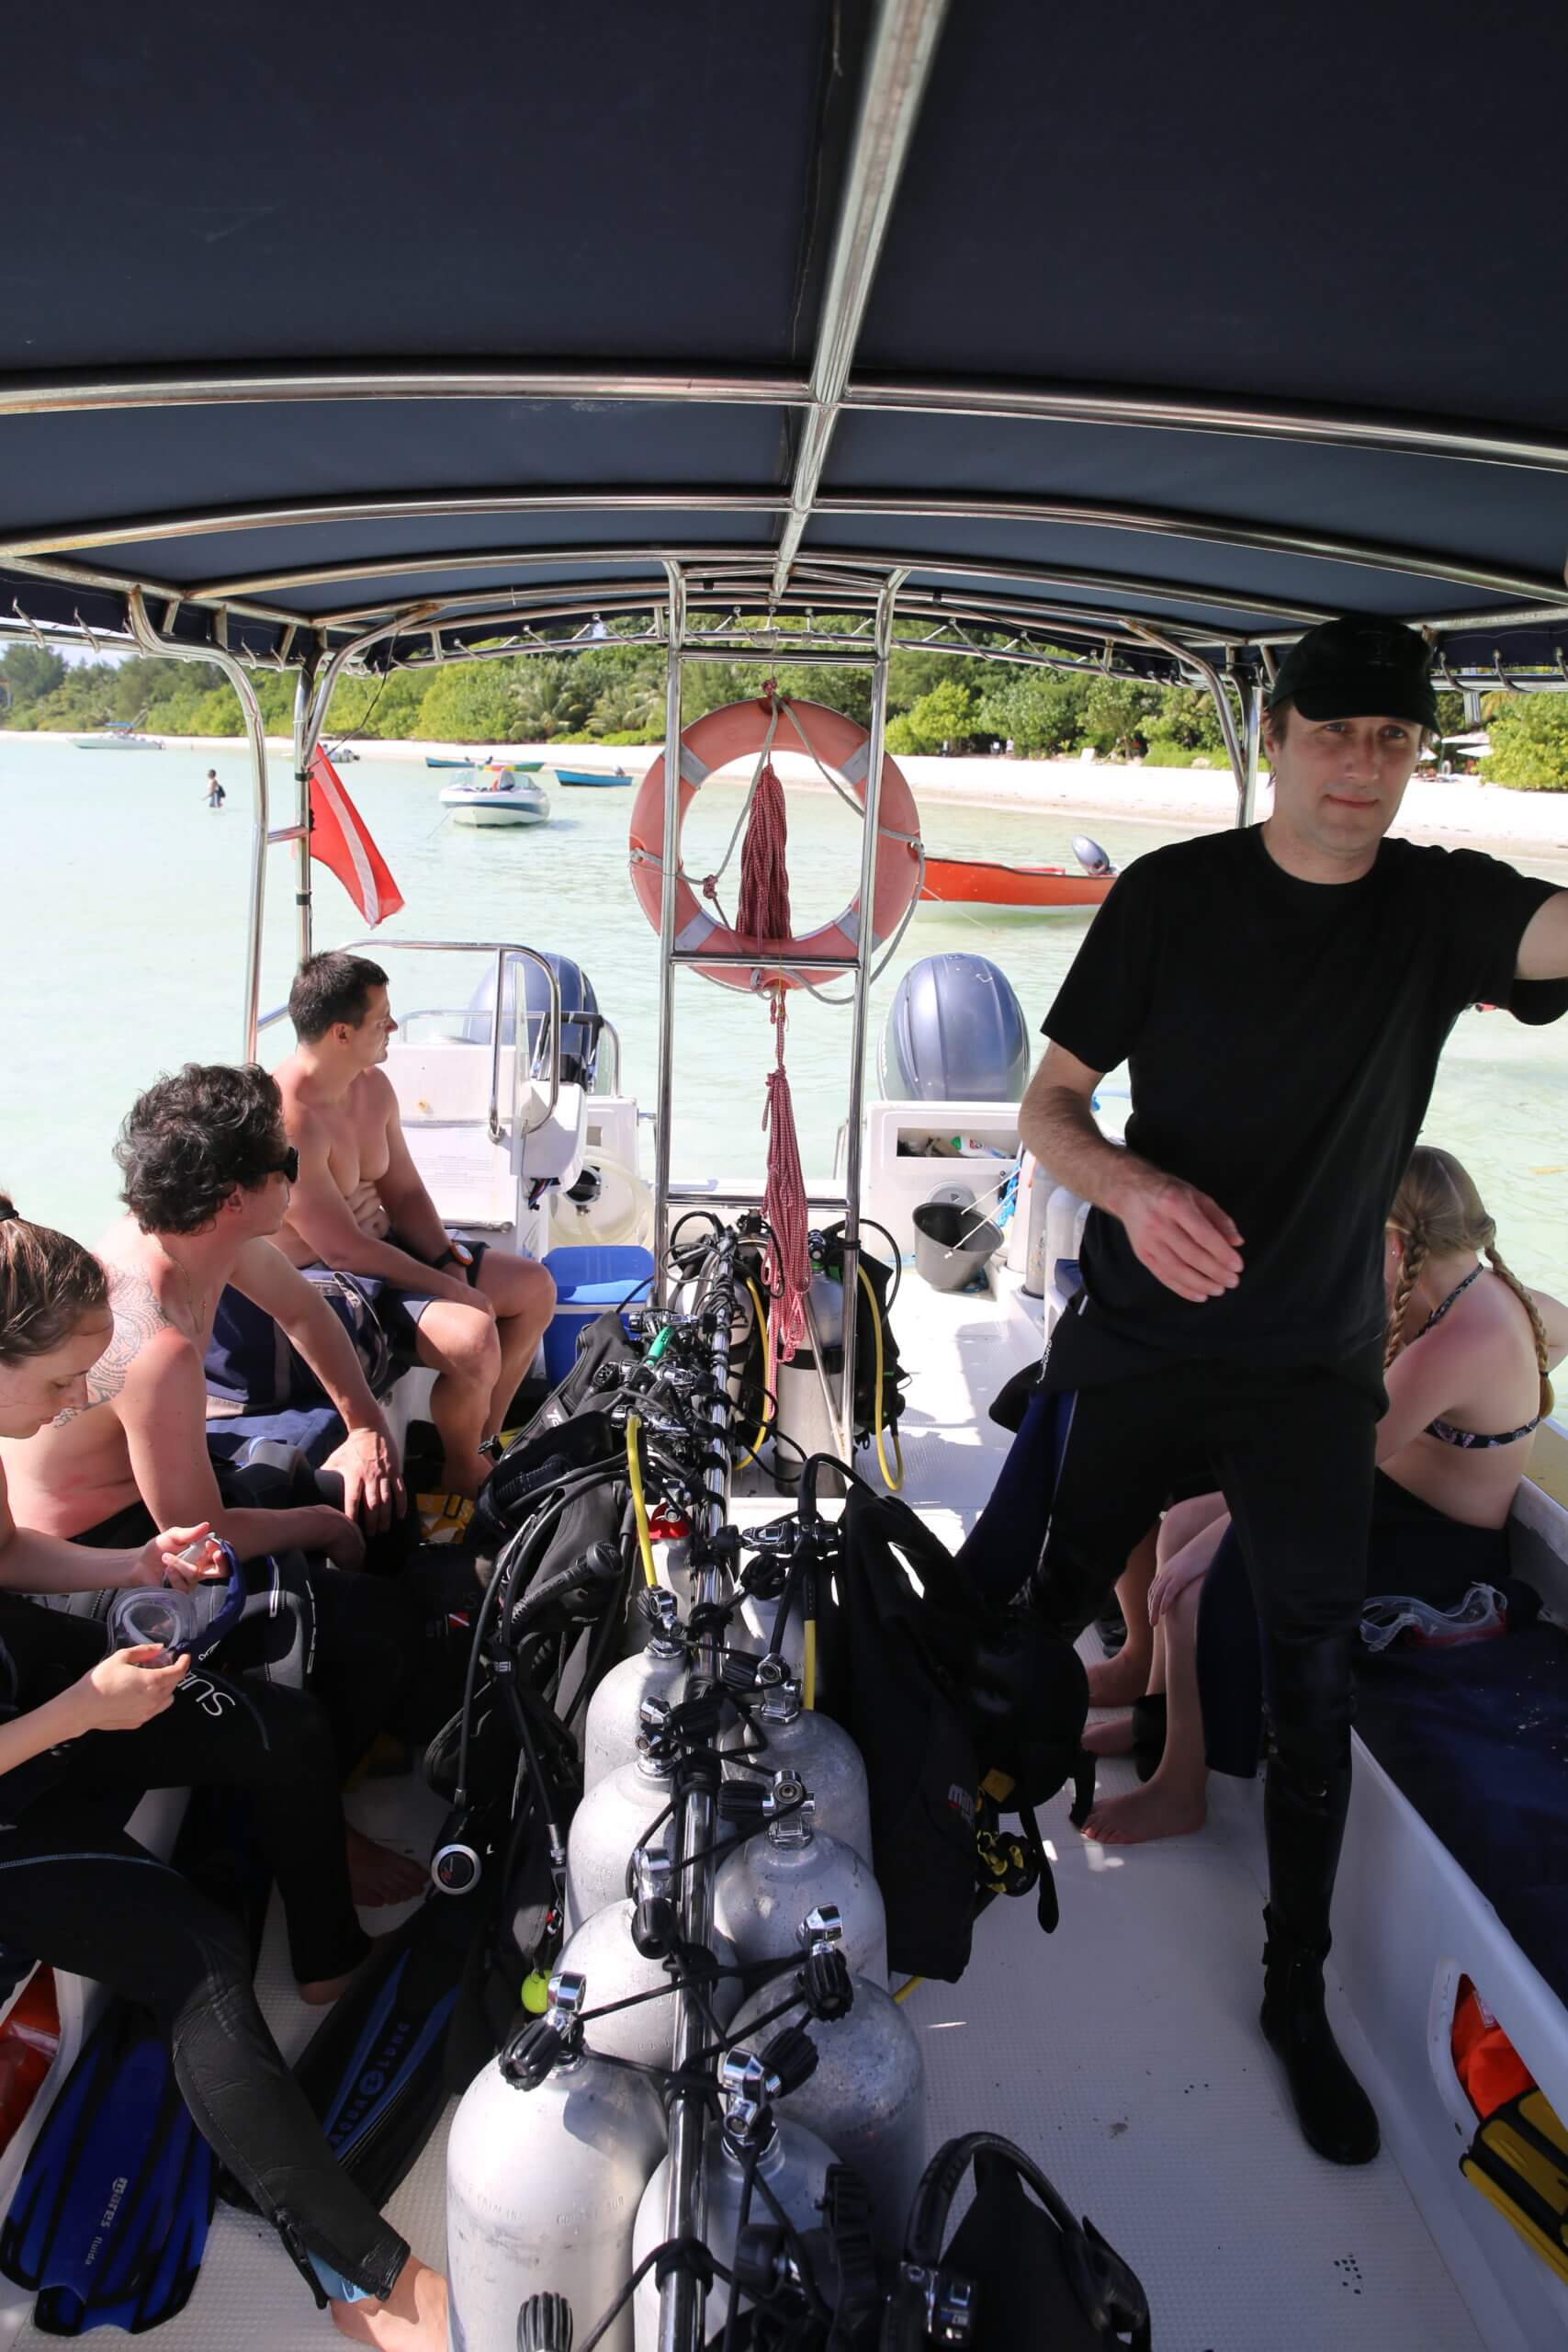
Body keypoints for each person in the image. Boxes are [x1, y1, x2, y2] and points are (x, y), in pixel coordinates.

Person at [1018, 614, 1568, 2167]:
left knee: (1315, 1685)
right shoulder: (1168, 899)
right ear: (1277, 735)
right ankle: (968, 1816)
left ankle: (1293, 1995)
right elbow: (1048, 1108)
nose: (1361, 768)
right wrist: (1127, 1191)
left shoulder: (1438, 908)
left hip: (1315, 1371)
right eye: (1334, 732)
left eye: (1392, 741)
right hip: (1143, 1332)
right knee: (1049, 1592)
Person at [0, 1198, 446, 2347]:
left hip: (37, 1684)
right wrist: (80, 1712)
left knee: (287, 1732)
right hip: (13, 1776)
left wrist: (133, 1559)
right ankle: (373, 2282)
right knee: (194, 1952)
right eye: (59, 1387)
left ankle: (329, 1961)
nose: (71, 1411)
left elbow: (6, 1555)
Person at [0, 1065, 427, 1904]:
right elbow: (194, 1526)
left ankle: (357, 1743)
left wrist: (369, 1428)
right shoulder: (140, 1325)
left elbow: (308, 1314)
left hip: (146, 1507)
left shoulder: (212, 1242)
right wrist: (318, 1527)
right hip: (87, 1548)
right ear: (239, 1195)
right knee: (328, 1606)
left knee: (318, 1486)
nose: (300, 1173)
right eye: (288, 1165)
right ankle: (311, 1827)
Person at [1081, 1145, 1568, 1846]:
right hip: (1385, 1501)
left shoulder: (1460, 1340)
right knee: (1182, 1520)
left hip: (1435, 1550)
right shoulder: (1475, 1293)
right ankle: (1160, 1720)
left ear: (1397, 1244)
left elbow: (1324, 1471)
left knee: (1195, 1582)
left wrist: (1216, 1547)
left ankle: (1177, 1789)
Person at [272, 953, 555, 1502]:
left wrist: (447, 1259)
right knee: (473, 1338)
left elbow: (403, 1191)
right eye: (382, 1019)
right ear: (341, 1033)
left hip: (380, 1251)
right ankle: (463, 1476)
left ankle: (478, 1446)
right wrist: (450, 1289)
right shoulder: (288, 1116)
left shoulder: (370, 1086)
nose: (394, 1029)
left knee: (533, 1288)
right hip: (324, 1280)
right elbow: (342, 1250)